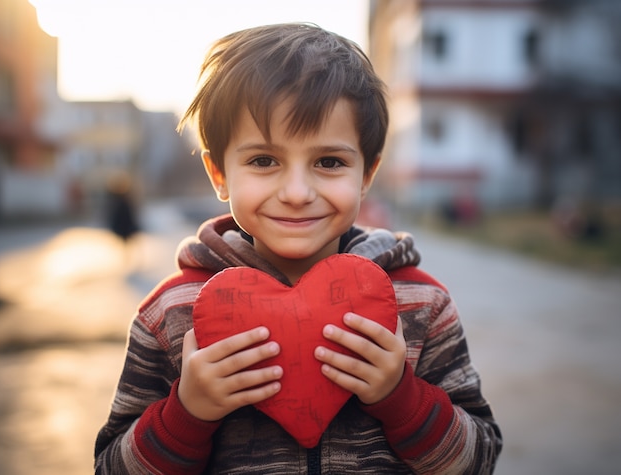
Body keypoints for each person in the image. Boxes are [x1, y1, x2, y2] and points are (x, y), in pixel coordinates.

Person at [94, 23, 502, 474]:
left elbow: (478, 460)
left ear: (367, 173)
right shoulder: (172, 313)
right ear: (219, 174)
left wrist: (400, 397)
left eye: (329, 162)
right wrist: (188, 412)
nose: (296, 191)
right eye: (264, 161)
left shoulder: (420, 305)